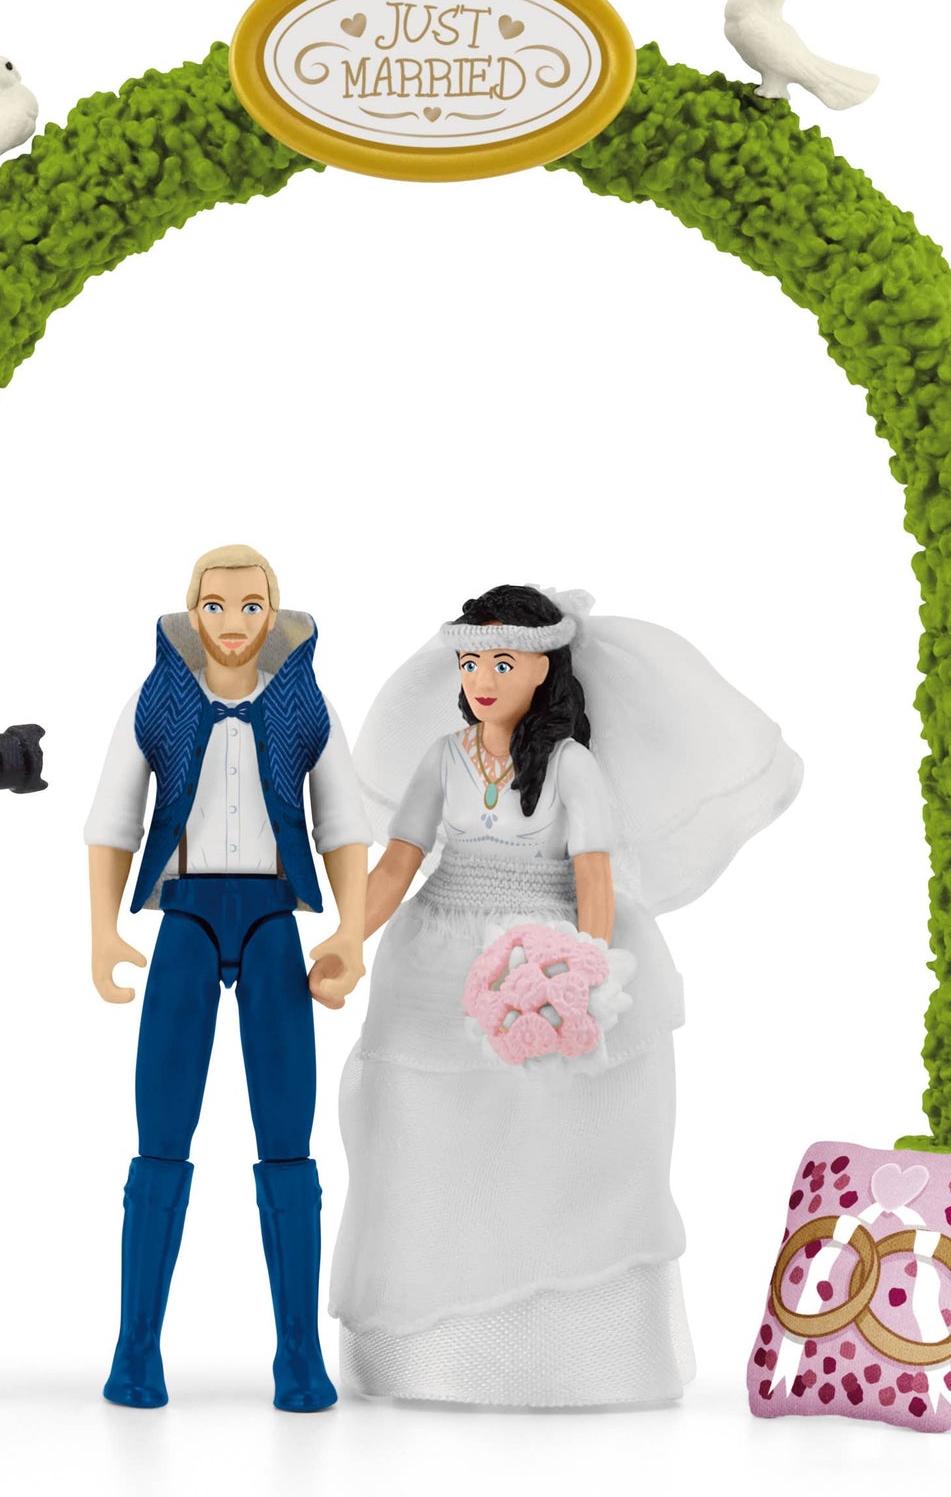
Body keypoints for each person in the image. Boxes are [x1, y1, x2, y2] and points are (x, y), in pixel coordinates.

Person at [330, 585, 801, 1407]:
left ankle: (566, 1351)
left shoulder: (571, 766)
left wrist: (583, 967)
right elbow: (398, 861)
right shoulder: (443, 758)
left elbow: (593, 877)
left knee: (552, 1143)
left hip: (542, 950)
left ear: (542, 668)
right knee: (424, 1129)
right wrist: (348, 939)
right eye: (470, 662)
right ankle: (424, 1348)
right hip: (437, 957)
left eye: (501, 663)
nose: (482, 679)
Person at [84, 544, 370, 1411]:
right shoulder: (157, 697)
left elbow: (343, 823)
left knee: (288, 1134)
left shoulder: (305, 701)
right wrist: (102, 930)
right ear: (193, 608)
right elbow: (113, 820)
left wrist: (350, 930)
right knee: (161, 1130)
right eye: (217, 605)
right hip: (186, 916)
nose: (235, 622)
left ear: (273, 611)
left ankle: (299, 1355)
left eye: (252, 606)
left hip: (275, 917)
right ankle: (136, 1349)